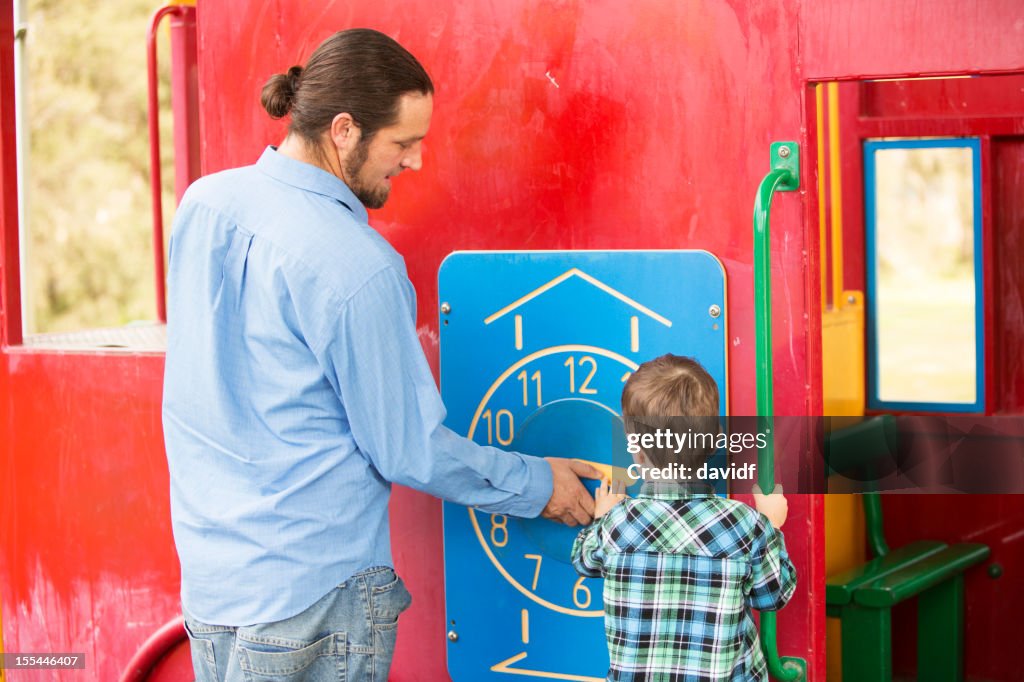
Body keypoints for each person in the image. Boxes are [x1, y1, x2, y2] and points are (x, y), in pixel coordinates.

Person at [162, 28, 598, 682]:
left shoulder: (203, 205)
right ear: (343, 130)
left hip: (213, 587)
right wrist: (539, 486)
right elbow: (408, 448)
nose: (415, 161)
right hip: (315, 601)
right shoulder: (356, 268)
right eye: (403, 142)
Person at [570, 354, 796, 681]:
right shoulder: (745, 525)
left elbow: (583, 560)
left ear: (636, 447)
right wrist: (771, 525)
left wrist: (601, 516)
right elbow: (774, 594)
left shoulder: (616, 525)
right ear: (716, 439)